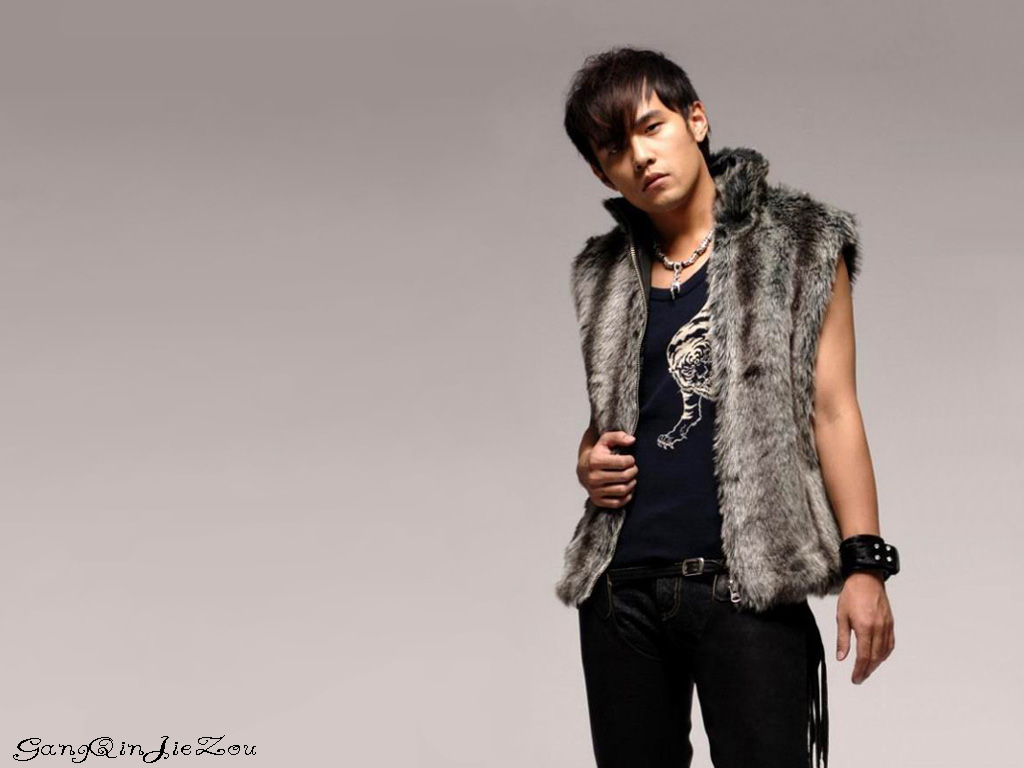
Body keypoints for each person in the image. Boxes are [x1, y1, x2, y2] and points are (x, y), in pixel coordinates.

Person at [555, 47, 900, 768]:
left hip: (749, 587)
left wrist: (866, 565)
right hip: (620, 592)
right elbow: (617, 412)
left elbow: (834, 411)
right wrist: (587, 461)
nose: (640, 156)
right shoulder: (601, 272)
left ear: (696, 119)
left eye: (651, 126)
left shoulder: (801, 243)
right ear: (600, 172)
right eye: (614, 149)